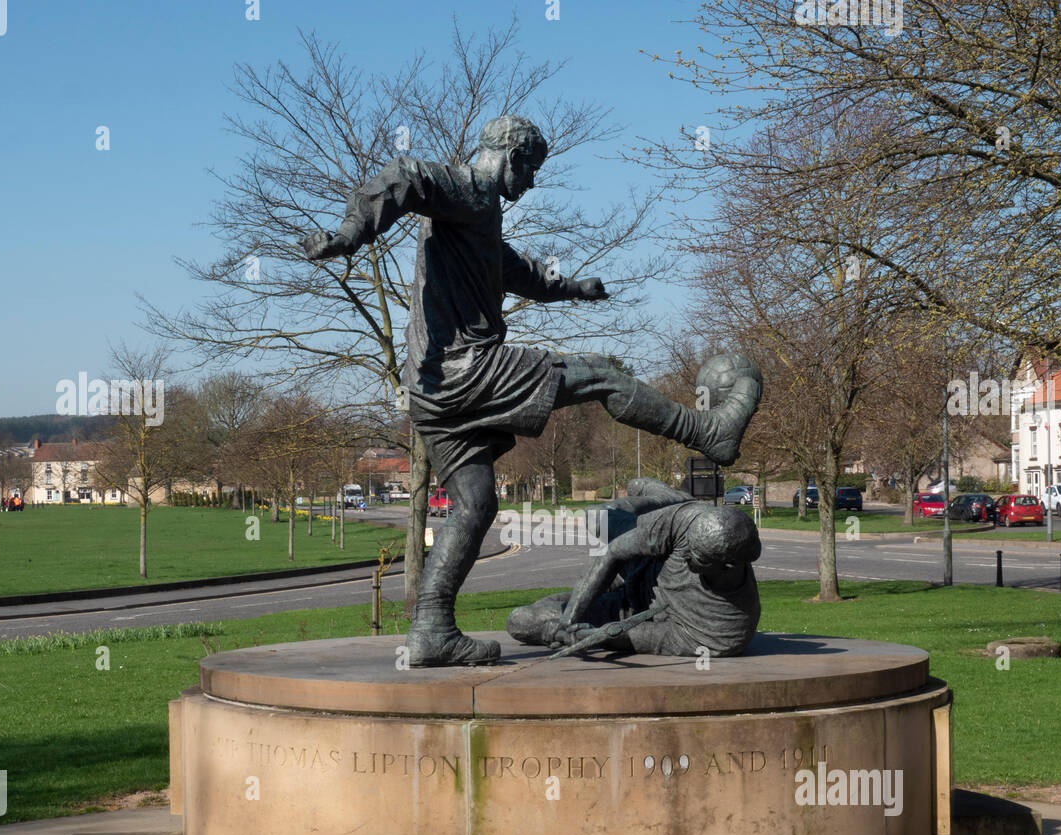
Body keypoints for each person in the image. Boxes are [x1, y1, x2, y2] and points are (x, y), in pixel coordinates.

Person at [302, 115, 761, 666]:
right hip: (467, 369)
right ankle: (707, 430)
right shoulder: (466, 190)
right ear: (511, 155)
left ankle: (430, 628)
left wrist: (571, 288)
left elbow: (513, 271)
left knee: (475, 503)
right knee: (601, 375)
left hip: (430, 395)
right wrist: (351, 234)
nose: (533, 183)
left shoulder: (477, 216)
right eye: (532, 168)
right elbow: (405, 177)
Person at [506, 478, 762, 658]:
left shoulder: (726, 631)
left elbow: (652, 637)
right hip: (640, 561)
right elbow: (614, 551)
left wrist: (594, 635)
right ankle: (666, 501)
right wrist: (569, 620)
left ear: (729, 565)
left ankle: (669, 503)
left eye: (696, 557)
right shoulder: (691, 522)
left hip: (631, 608)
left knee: (520, 622)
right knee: (598, 516)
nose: (687, 557)